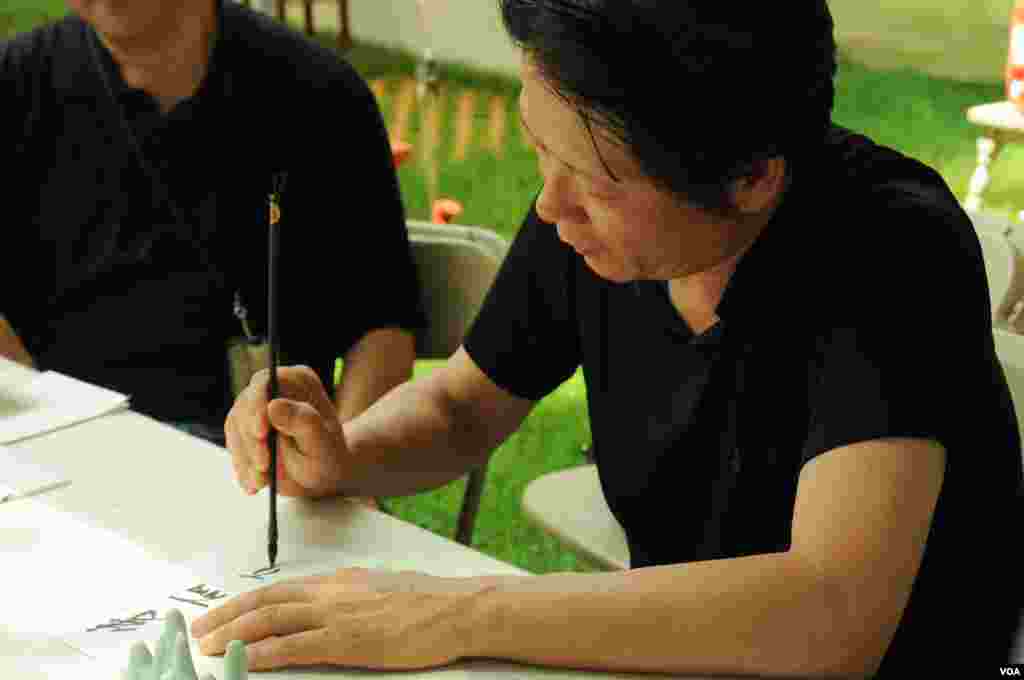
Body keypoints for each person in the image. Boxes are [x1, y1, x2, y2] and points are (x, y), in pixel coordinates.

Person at [197, 1, 1023, 677]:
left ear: (750, 178)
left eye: (593, 179)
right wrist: (343, 451)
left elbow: (830, 614)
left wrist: (458, 612)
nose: (551, 207)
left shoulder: (891, 251)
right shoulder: (594, 218)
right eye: (539, 151)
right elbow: (461, 407)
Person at [0, 0, 426, 447]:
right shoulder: (16, 84)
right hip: (63, 455)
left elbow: (383, 331)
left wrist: (342, 467)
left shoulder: (319, 93)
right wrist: (40, 424)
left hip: (256, 470)